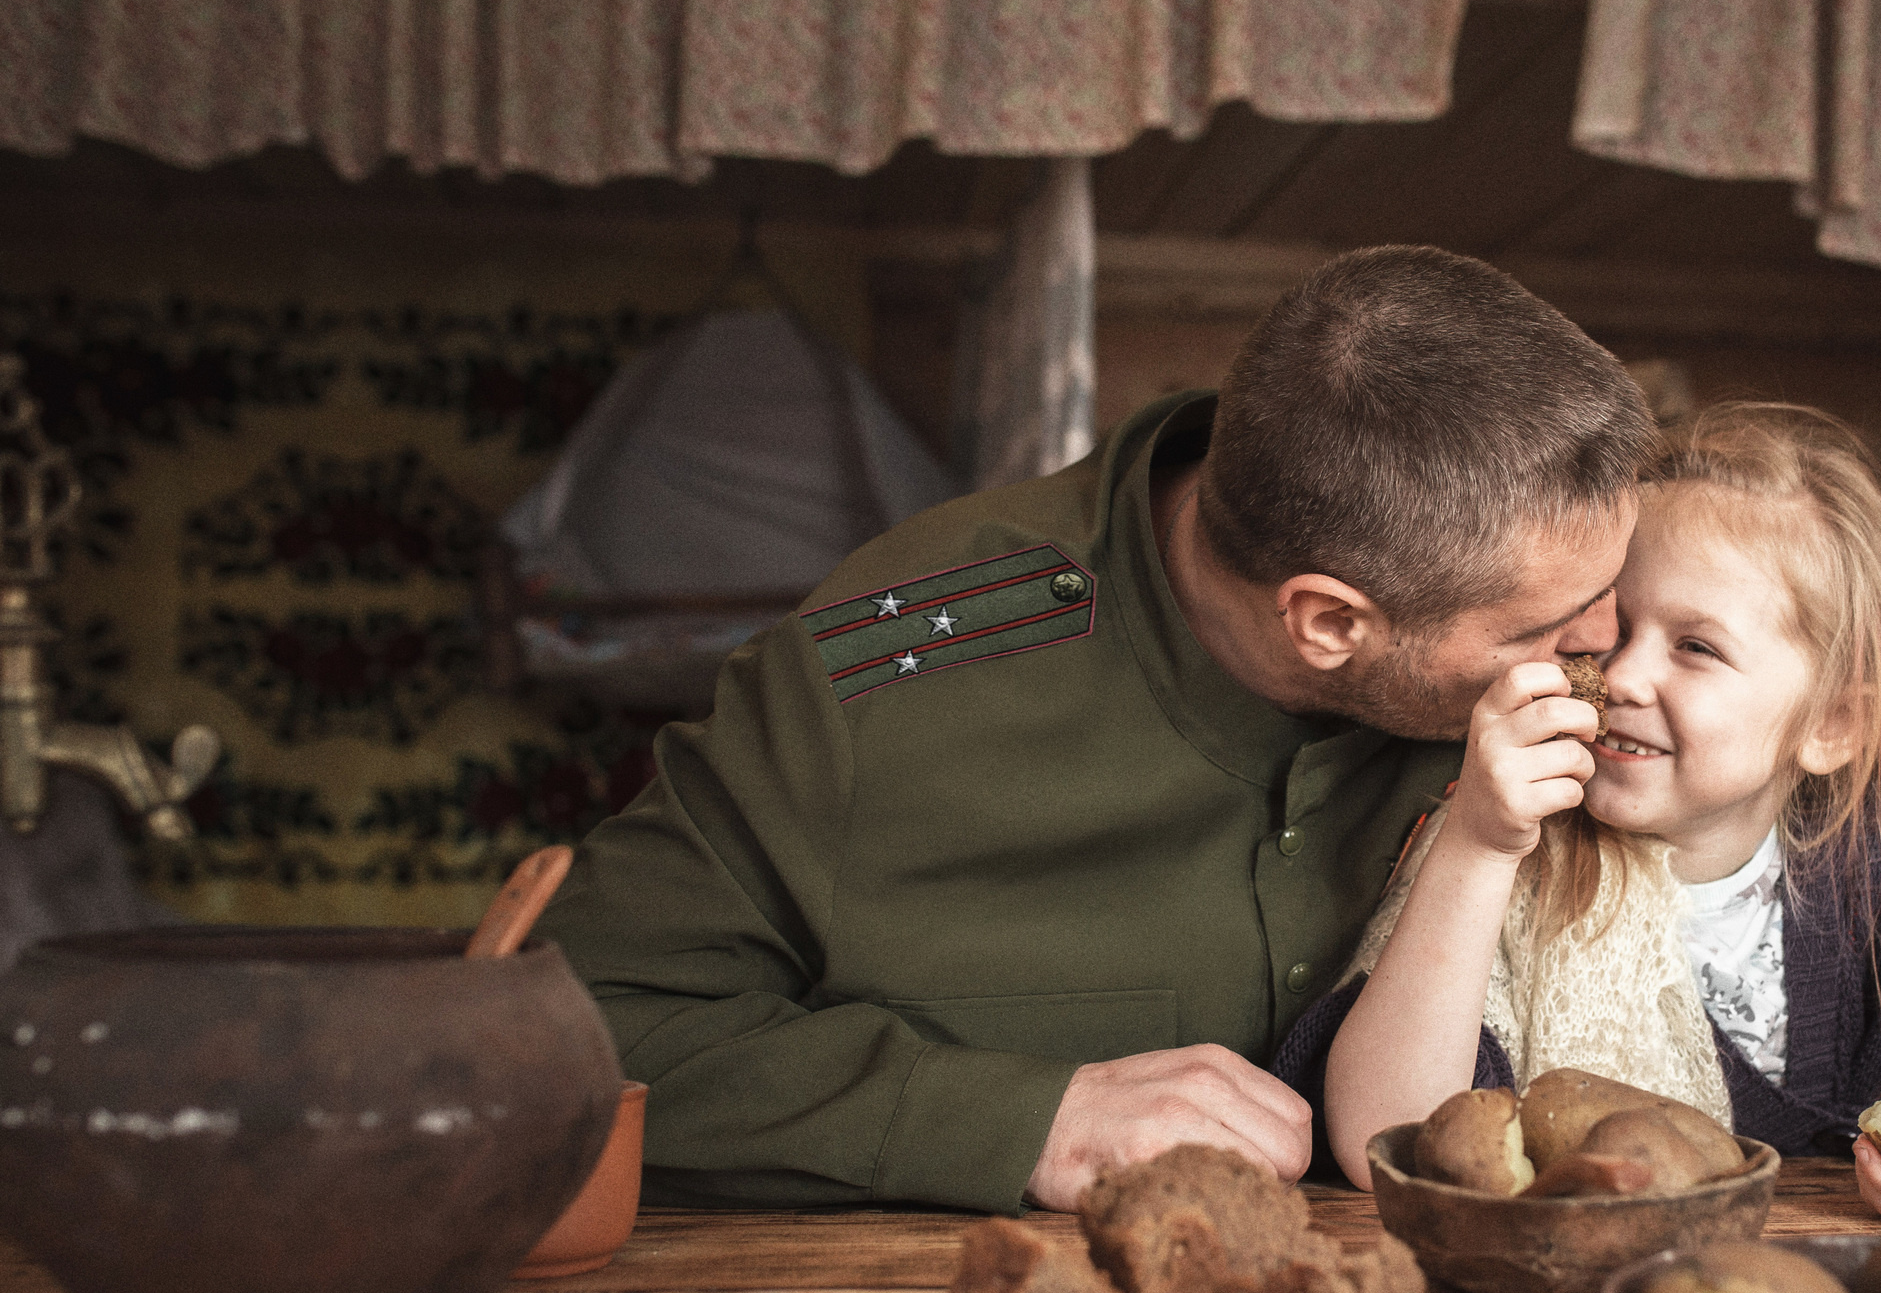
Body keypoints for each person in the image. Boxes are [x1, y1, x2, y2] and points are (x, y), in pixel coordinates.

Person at [535, 245, 1659, 1216]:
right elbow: (568, 1034)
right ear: (1329, 622)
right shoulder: (879, 682)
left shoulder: (1572, 671)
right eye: (1553, 623)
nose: (1614, 641)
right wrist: (1023, 1121)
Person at [1290, 400, 1881, 1218]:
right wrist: (1477, 846)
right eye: (1609, 627)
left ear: (1832, 723)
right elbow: (1384, 1140)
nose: (1620, 676)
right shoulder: (1506, 844)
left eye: (1695, 647)